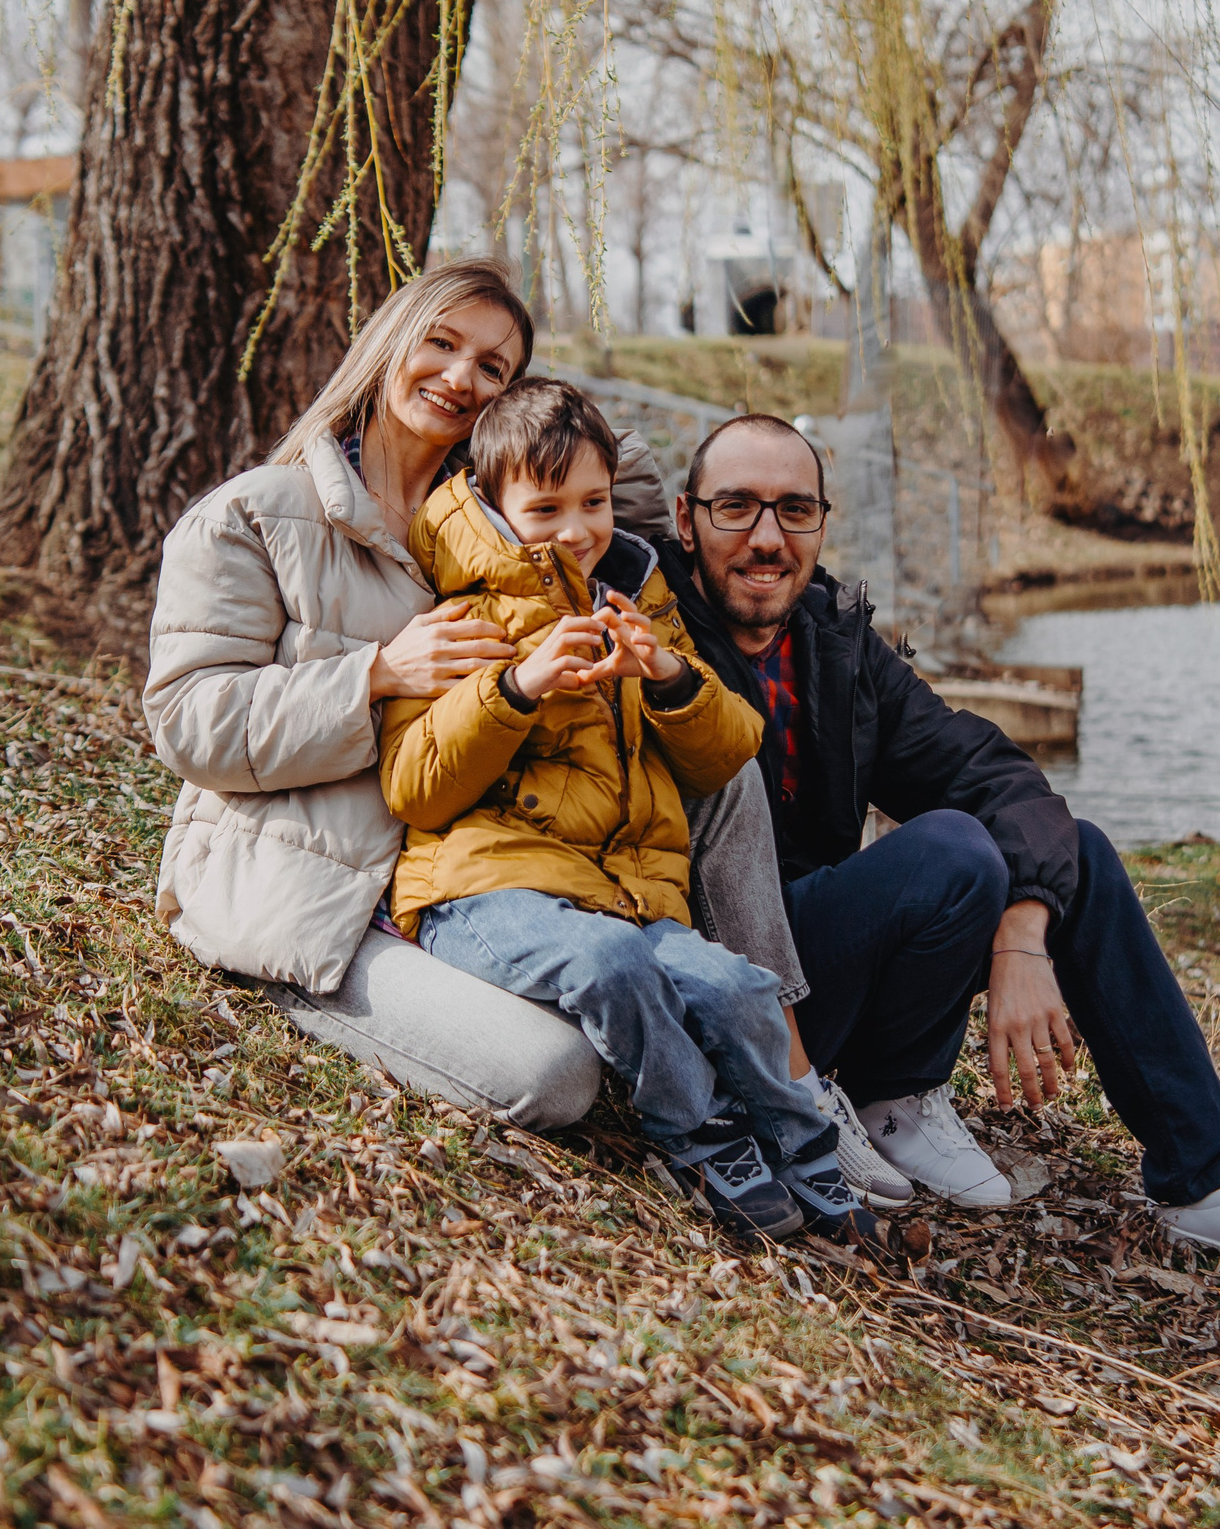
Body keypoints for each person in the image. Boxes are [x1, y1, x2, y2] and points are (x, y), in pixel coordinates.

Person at [650, 413, 1220, 1288]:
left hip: (831, 972)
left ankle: (1204, 1179)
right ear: (686, 520)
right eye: (736, 507)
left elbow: (992, 770)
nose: (767, 537)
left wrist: (1023, 933)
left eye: (794, 510)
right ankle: (878, 1092)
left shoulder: (832, 640)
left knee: (1076, 851)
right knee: (954, 852)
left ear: (821, 523)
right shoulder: (652, 635)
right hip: (724, 990)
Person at [142, 261, 806, 1133]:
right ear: (390, 340)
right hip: (323, 887)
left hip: (480, 867)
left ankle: (794, 1070)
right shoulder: (259, 514)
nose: (462, 378)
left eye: (494, 368)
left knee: (721, 764)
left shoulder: (498, 514)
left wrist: (547, 451)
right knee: (555, 1074)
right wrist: (374, 673)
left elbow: (618, 475)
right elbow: (190, 722)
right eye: (442, 343)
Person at [377, 381, 874, 1245]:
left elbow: (729, 753)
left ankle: (806, 1145)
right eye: (548, 507)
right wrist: (516, 689)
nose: (579, 528)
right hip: (480, 894)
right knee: (610, 962)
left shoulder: (635, 600)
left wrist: (671, 679)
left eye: (596, 502)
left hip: (622, 894)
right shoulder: (463, 616)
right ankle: (699, 1133)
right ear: (494, 506)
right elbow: (414, 786)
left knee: (734, 983)